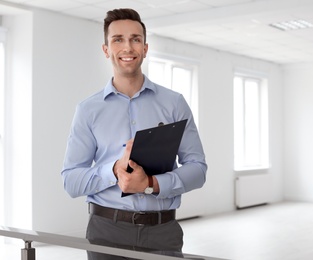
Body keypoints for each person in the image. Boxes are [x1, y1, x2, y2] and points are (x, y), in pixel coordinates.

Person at [61, 8, 207, 260]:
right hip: (107, 231)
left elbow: (198, 169)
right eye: (118, 39)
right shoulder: (88, 109)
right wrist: (114, 171)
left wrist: (151, 184)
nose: (127, 47)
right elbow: (71, 181)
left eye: (135, 39)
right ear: (106, 49)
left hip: (163, 232)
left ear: (145, 48)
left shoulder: (174, 104)